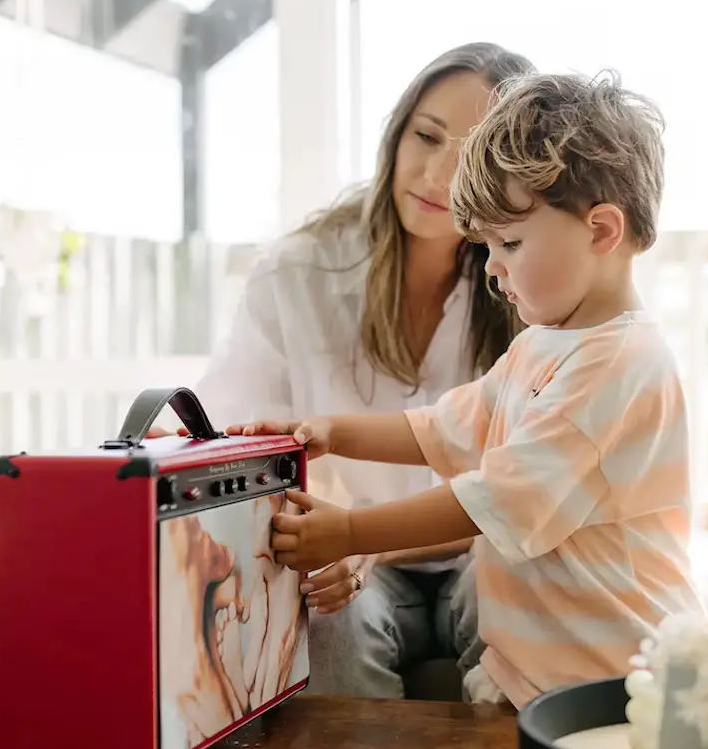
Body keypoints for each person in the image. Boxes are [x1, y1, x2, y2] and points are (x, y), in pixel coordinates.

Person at [228, 70, 707, 710]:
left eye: (509, 243)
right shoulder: (544, 343)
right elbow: (444, 427)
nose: (492, 268)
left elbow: (496, 499)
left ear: (601, 232)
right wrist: (334, 432)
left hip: (616, 678)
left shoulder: (619, 365)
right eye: (485, 246)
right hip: (537, 672)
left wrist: (350, 532)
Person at [168, 43, 537, 700]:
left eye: (473, 155)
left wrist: (368, 538)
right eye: (425, 137)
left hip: (479, 549)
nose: (436, 174)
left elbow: (527, 494)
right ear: (397, 133)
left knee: (519, 590)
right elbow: (229, 439)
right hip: (352, 561)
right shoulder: (300, 272)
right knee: (331, 616)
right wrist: (329, 536)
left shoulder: (531, 280)